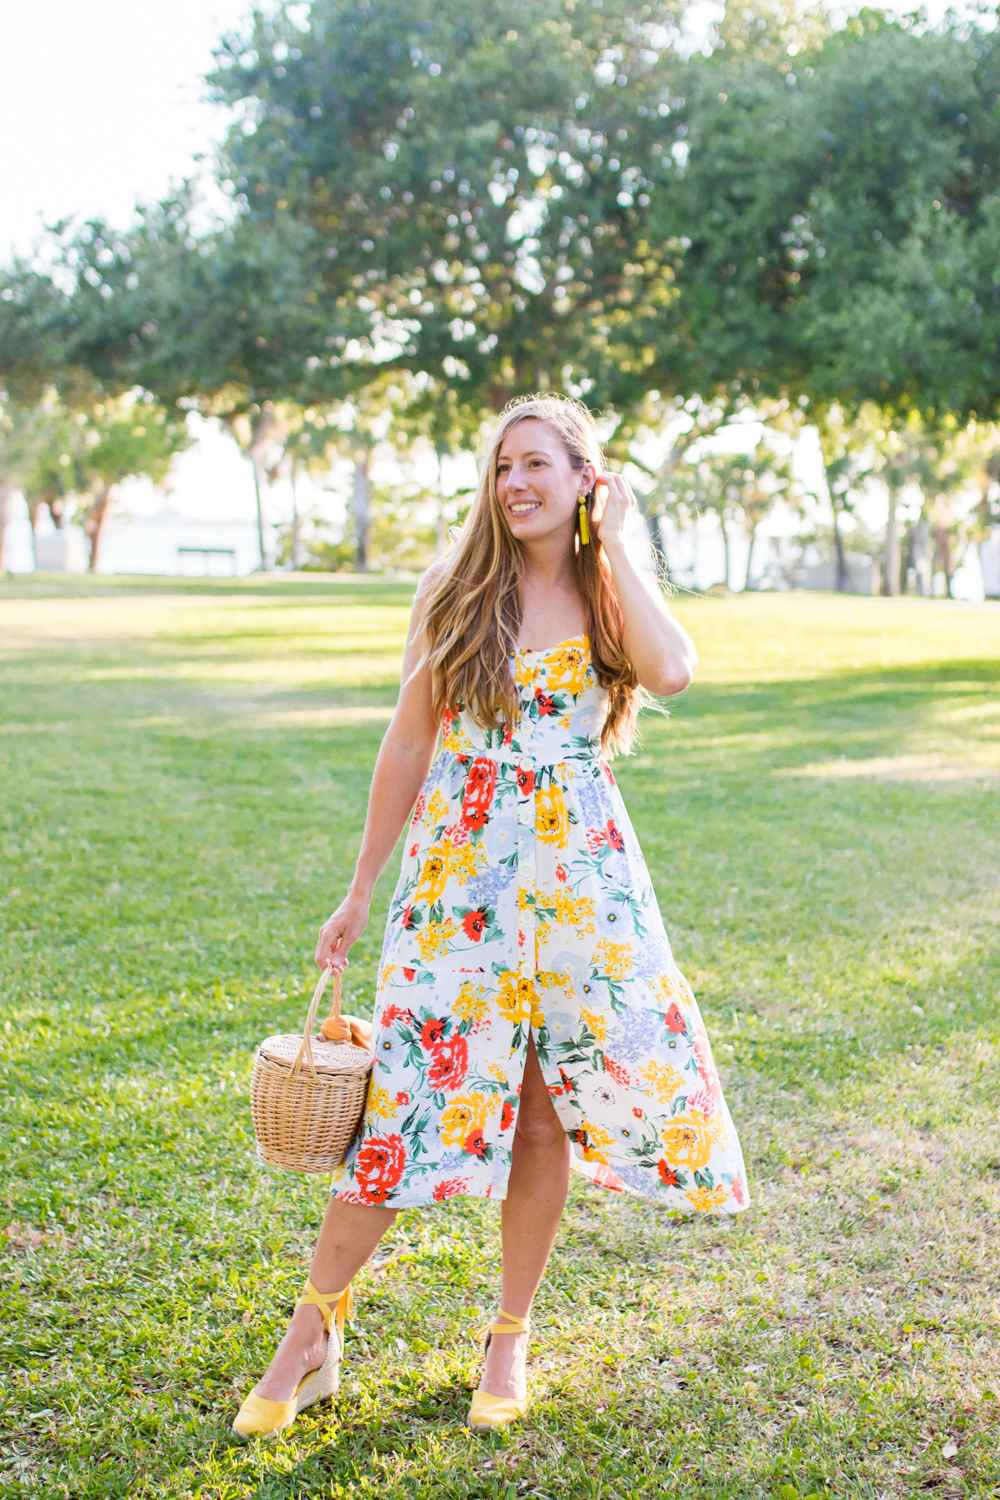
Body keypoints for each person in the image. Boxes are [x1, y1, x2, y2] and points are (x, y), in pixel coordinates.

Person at [233, 394, 748, 1440]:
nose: (514, 484)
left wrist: (617, 547)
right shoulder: (454, 590)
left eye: (538, 467)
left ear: (582, 481)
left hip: (579, 887)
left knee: (545, 1107)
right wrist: (359, 886)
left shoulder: (608, 596)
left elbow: (677, 672)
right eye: (503, 467)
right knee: (402, 1103)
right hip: (457, 887)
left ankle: (507, 1337)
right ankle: (311, 1334)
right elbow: (407, 743)